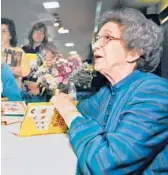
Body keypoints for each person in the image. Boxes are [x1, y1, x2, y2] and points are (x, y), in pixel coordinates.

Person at [50, 7, 168, 174]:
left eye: (107, 38)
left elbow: (106, 164)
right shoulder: (108, 91)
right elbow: (81, 110)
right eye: (97, 39)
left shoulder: (156, 92)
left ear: (133, 52)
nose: (96, 45)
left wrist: (68, 111)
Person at [1, 18, 30, 88]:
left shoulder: (17, 51)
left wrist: (7, 69)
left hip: (12, 92)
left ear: (10, 35)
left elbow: (25, 71)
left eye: (4, 31)